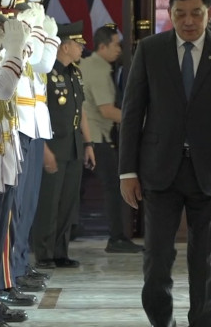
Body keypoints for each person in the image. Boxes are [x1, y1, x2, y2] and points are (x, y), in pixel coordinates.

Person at [118, 0, 211, 327]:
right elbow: (132, 113)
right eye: (180, 14)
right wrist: (127, 171)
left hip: (210, 173)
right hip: (159, 171)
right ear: (170, 14)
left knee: (205, 264)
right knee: (156, 263)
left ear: (210, 13)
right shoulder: (150, 50)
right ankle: (162, 321)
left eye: (196, 13)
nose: (188, 21)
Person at [32, 21, 96, 269]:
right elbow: (38, 112)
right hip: (53, 145)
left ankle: (61, 252)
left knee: (69, 201)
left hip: (74, 145)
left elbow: (82, 110)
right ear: (65, 46)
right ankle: (44, 253)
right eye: (78, 45)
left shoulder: (75, 73)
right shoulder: (46, 72)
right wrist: (44, 149)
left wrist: (88, 143)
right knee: (49, 202)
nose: (82, 49)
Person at [79, 24, 143, 253]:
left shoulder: (87, 65)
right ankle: (117, 238)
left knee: (78, 188)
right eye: (116, 45)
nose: (119, 49)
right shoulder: (98, 69)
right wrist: (140, 121)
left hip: (88, 136)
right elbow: (106, 111)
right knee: (114, 187)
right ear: (103, 46)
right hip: (97, 137)